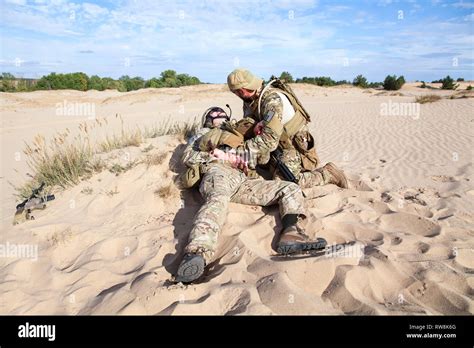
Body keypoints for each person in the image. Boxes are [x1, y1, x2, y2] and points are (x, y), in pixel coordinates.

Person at [175, 107, 326, 283]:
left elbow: (259, 159)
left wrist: (256, 142)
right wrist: (222, 156)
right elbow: (188, 157)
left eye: (222, 113)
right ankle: (197, 254)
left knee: (289, 189)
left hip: (242, 181)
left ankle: (291, 234)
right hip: (218, 172)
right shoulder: (203, 133)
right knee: (218, 199)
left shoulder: (240, 132)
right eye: (214, 114)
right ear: (207, 120)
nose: (220, 116)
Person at [227, 68, 348, 189]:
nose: (237, 95)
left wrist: (238, 151)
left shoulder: (272, 100)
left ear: (242, 91)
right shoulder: (251, 101)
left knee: (284, 184)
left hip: (292, 148)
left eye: (236, 92)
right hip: (275, 146)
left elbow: (269, 140)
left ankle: (327, 174)